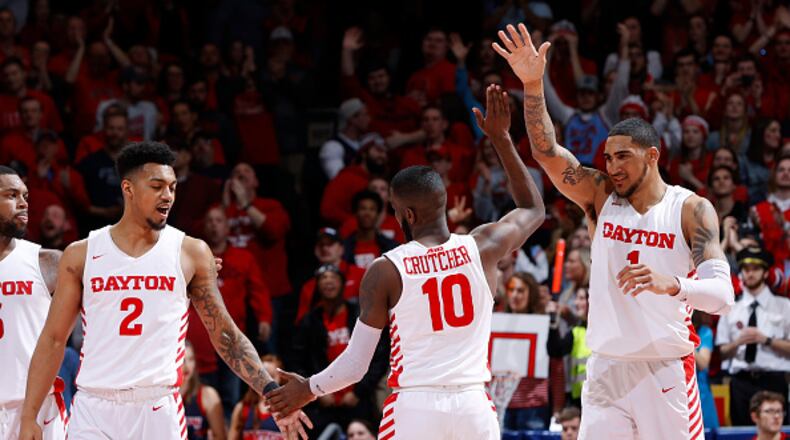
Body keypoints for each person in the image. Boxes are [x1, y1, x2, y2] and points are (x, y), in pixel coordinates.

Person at [495, 23, 734, 439]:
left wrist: (672, 284)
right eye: (607, 157)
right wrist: (533, 84)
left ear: (653, 156)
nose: (612, 166)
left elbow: (724, 296)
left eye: (623, 156)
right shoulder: (601, 196)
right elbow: (547, 153)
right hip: (605, 368)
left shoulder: (691, 209)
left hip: (665, 369)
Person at [267, 83, 545, 440]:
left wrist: (308, 388)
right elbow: (533, 209)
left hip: (416, 408)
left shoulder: (386, 269)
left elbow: (356, 364)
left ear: (407, 215)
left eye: (395, 211)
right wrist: (501, 138)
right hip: (474, 406)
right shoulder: (483, 247)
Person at [19, 142, 310, 439]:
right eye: (157, 186)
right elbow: (54, 339)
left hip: (157, 409)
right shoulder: (82, 253)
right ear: (128, 188)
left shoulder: (190, 252)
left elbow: (225, 334)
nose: (168, 195)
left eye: (172, 187)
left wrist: (271, 391)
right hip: (94, 407)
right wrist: (29, 415)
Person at [0, 166, 66, 440]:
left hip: (36, 408)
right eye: (12, 195)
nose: (24, 202)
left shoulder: (48, 262)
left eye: (25, 195)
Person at [716, 247, 790, 426]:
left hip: (774, 379)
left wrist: (767, 340)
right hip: (741, 382)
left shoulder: (784, 306)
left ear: (765, 273)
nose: (750, 274)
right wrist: (738, 343)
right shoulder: (730, 307)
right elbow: (721, 352)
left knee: (776, 433)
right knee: (741, 434)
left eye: (755, 269)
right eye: (746, 269)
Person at [229, 355, 285, 440]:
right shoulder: (242, 408)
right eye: (262, 377)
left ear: (280, 379)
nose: (266, 382)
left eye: (271, 376)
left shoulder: (287, 410)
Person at [180, 342, 226, 440]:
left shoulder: (208, 394)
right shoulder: (162, 397)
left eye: (191, 359)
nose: (187, 366)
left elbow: (220, 436)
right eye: (182, 360)